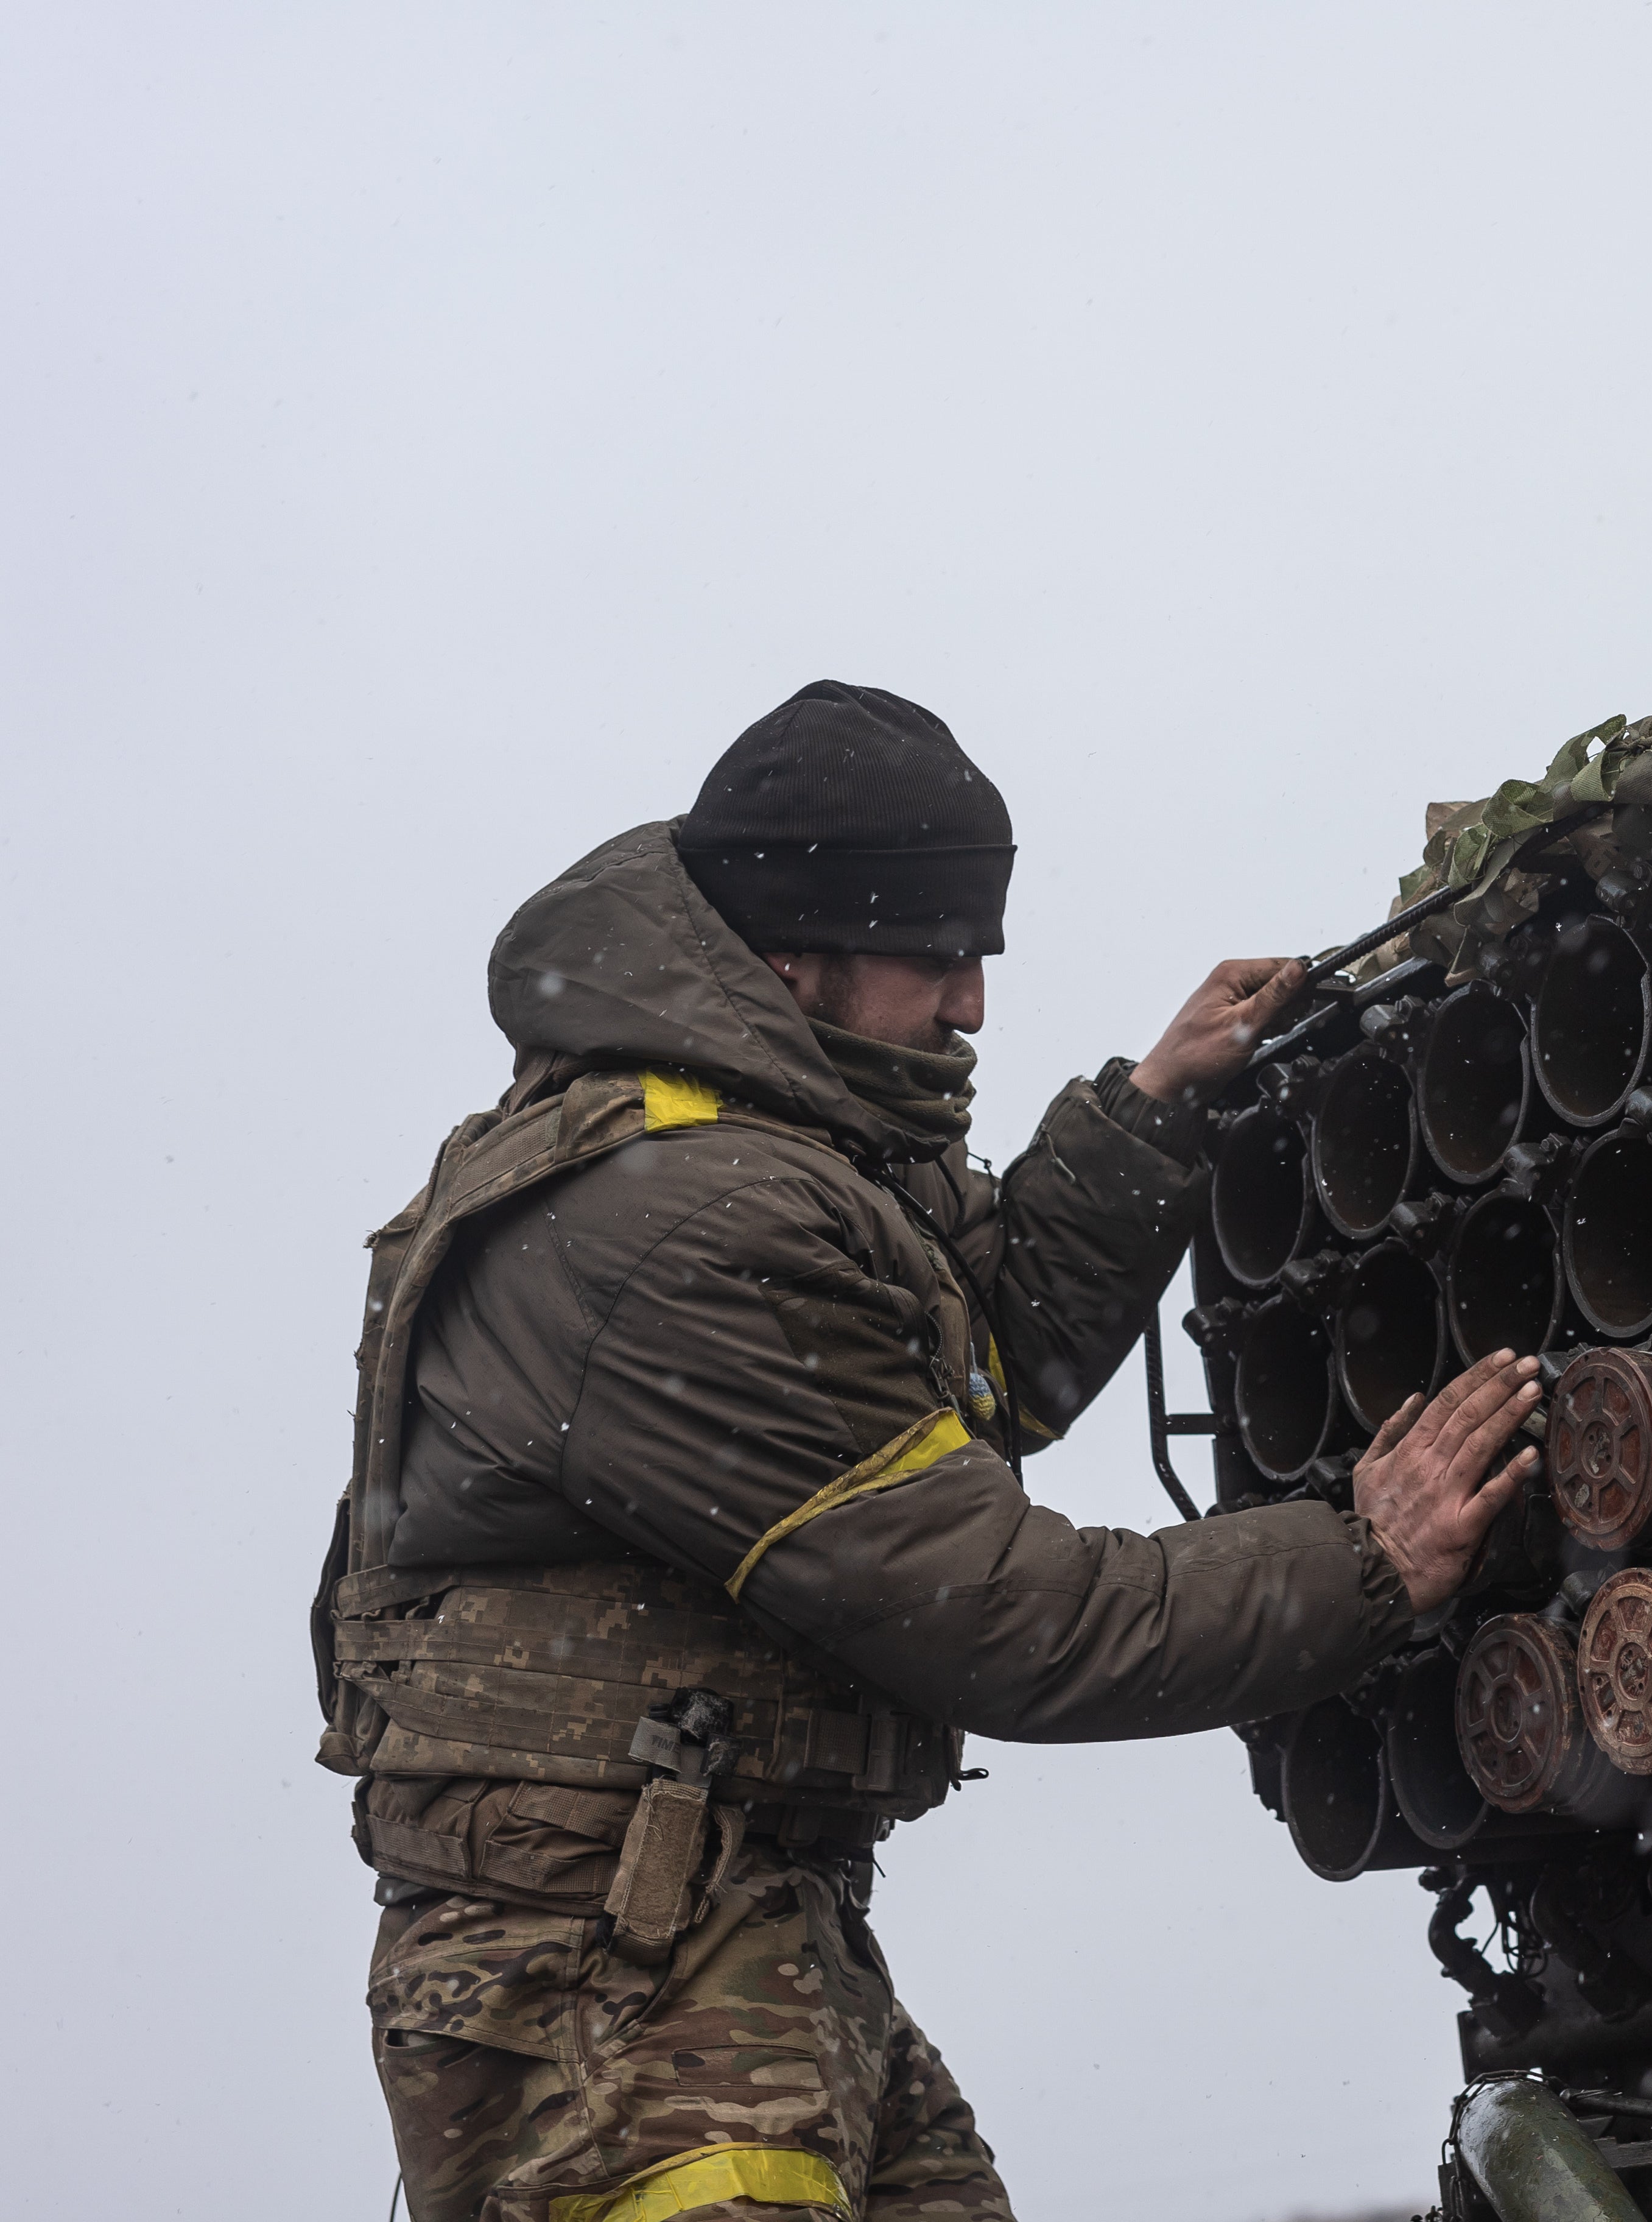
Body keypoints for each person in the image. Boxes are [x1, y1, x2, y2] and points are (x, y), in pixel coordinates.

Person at [315, 680, 1535, 2221]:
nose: (971, 1006)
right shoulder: (686, 1219)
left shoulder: (779, 1147)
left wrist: (1153, 1117)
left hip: (728, 1913)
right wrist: (1364, 1562)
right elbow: (1010, 1623)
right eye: (937, 958)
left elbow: (979, 1365)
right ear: (790, 952)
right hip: (601, 1978)